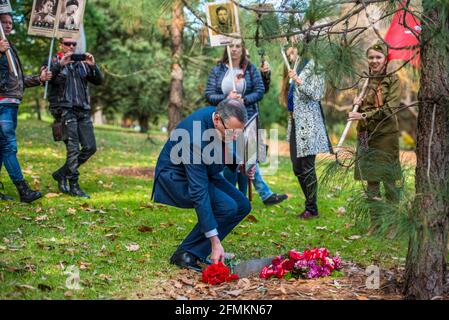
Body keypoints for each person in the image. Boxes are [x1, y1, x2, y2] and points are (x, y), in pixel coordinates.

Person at [152, 99, 253, 272]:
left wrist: (239, 166)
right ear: (217, 120)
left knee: (243, 205)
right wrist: (214, 241)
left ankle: (203, 250)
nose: (234, 137)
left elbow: (223, 148)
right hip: (177, 179)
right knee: (227, 207)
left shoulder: (221, 118)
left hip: (206, 171)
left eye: (239, 133)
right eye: (231, 132)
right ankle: (185, 254)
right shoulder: (194, 140)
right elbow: (199, 193)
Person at [205, 40, 288, 206]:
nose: (234, 49)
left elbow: (259, 91)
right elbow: (209, 95)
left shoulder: (250, 69)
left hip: (247, 119)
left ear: (242, 49)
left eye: (238, 46)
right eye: (231, 46)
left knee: (246, 158)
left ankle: (240, 199)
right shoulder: (217, 70)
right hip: (225, 120)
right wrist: (226, 98)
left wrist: (244, 99)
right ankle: (249, 195)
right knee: (233, 159)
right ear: (227, 48)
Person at [0, 13, 52, 203]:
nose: (7, 25)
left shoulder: (8, 45)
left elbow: (16, 79)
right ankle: (23, 190)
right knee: (8, 146)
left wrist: (39, 79)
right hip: (2, 103)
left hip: (11, 103)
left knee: (1, 147)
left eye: (10, 22)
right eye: (3, 22)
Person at [44, 38, 103, 198]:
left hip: (82, 110)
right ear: (60, 45)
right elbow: (45, 81)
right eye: (67, 43)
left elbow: (99, 81)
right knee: (73, 149)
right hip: (64, 110)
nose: (71, 46)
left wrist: (93, 65)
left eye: (73, 44)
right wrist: (59, 65)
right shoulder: (53, 60)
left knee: (90, 147)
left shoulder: (82, 63)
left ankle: (61, 173)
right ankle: (74, 184)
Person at [349, 42, 402, 214]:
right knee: (371, 178)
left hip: (385, 135)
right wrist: (357, 103)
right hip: (364, 135)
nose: (374, 61)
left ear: (386, 59)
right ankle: (376, 223)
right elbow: (362, 107)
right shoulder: (364, 81)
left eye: (378, 57)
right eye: (371, 57)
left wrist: (363, 115)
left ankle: (394, 223)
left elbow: (389, 109)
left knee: (389, 178)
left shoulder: (393, 80)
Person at [281, 46, 333, 219]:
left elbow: (317, 94)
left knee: (307, 167)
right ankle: (310, 204)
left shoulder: (316, 65)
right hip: (295, 121)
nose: (289, 50)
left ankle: (311, 208)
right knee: (297, 167)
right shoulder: (295, 65)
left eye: (293, 46)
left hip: (309, 122)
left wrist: (299, 81)